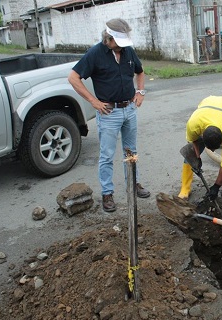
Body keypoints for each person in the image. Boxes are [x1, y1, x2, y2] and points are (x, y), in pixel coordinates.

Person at [68, 18, 150, 213]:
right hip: (109, 113)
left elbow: (140, 72)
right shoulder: (95, 53)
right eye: (118, 43)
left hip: (129, 109)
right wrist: (93, 102)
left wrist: (140, 92)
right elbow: (73, 77)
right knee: (106, 155)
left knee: (131, 151)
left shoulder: (128, 51)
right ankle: (107, 193)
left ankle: (133, 183)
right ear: (108, 38)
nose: (121, 47)